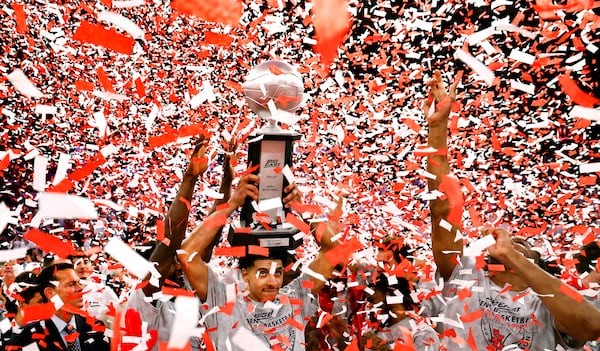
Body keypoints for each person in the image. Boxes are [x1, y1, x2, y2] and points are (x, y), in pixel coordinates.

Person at [425, 70, 600, 350]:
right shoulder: (466, 273)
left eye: (522, 245)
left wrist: (515, 257)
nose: (507, 242)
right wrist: (437, 129)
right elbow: (443, 211)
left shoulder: (546, 304)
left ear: (536, 265)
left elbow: (591, 326)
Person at [178, 171, 345, 351]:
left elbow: (334, 249)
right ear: (245, 275)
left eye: (278, 273)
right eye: (263, 273)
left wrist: (302, 208)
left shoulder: (294, 297)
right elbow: (186, 253)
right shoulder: (223, 303)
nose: (272, 281)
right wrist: (232, 204)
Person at [124, 136, 235, 351]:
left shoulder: (198, 294)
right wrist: (189, 179)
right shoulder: (147, 299)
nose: (183, 260)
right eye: (177, 257)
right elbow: (169, 243)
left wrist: (227, 182)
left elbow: (210, 235)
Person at [6, 262, 110, 351]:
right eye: (71, 284)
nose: (80, 289)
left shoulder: (96, 327)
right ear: (50, 293)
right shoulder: (25, 337)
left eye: (79, 283)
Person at [361, 274, 440, 351]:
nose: (370, 306)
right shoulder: (375, 333)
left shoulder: (423, 333)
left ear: (389, 295)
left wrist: (383, 348)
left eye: (372, 300)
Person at [69, 252, 119, 327]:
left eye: (86, 262)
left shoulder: (105, 291)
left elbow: (117, 319)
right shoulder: (65, 292)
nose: (82, 267)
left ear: (91, 265)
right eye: (78, 263)